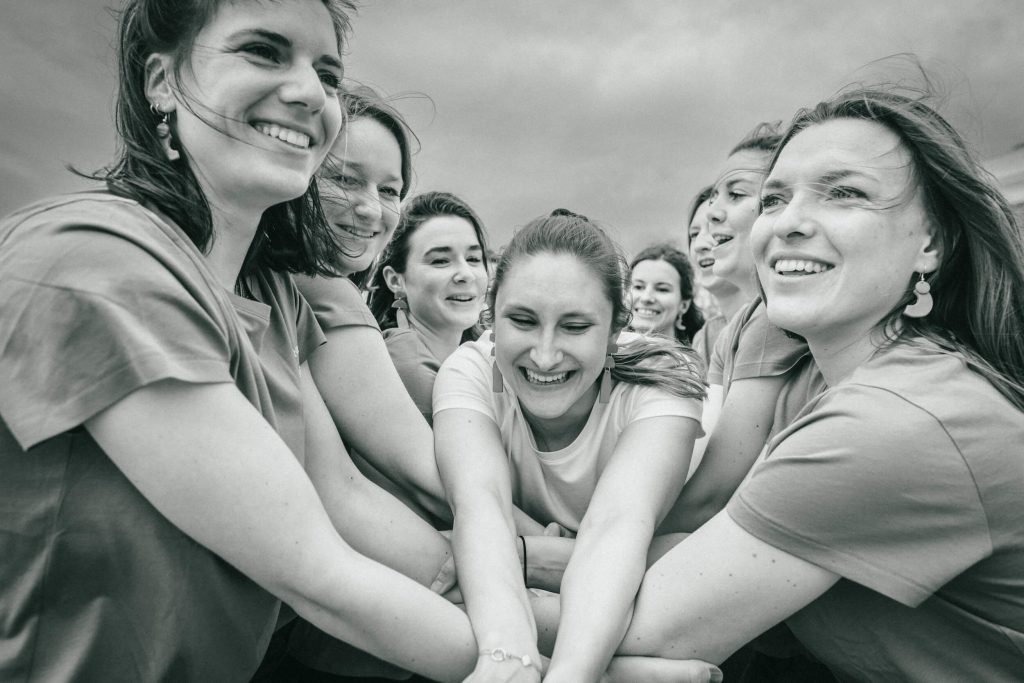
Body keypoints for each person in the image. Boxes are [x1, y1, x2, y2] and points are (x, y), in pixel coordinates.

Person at [0, 2, 492, 680]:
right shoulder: (94, 260)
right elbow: (322, 572)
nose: (307, 92)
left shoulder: (275, 305)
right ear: (161, 82)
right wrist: (562, 660)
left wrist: (544, 600)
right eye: (263, 51)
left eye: (325, 72)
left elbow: (345, 492)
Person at [615, 87, 1024, 681]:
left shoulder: (895, 421)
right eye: (775, 198)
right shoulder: (835, 383)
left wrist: (472, 573)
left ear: (930, 244)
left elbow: (645, 627)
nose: (788, 223)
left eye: (845, 193)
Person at [433, 209, 706, 683]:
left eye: (575, 327)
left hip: (653, 569)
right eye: (521, 320)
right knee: (437, 556)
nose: (544, 354)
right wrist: (505, 655)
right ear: (491, 314)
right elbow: (480, 504)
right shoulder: (470, 370)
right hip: (576, 584)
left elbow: (617, 528)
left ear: (616, 328)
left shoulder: (665, 377)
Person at [366, 191, 491, 424]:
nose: (465, 274)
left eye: (474, 259)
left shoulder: (475, 355)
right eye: (440, 261)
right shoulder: (409, 368)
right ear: (396, 281)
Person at [683, 187, 731, 361]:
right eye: (694, 234)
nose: (699, 246)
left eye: (713, 229)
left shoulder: (780, 326)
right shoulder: (704, 338)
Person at [627, 243, 704, 347]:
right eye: (638, 287)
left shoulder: (689, 361)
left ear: (684, 305)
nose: (646, 298)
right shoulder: (607, 354)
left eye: (662, 289)